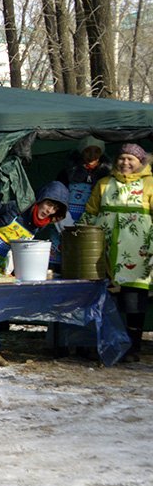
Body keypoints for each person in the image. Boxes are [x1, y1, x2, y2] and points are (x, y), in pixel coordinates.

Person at [0, 182, 71, 365]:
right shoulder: (14, 205)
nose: (49, 210)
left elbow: (16, 249)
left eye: (55, 208)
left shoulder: (38, 226)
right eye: (49, 204)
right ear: (40, 199)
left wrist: (9, 271)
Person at [83, 143, 153, 363]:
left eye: (131, 159)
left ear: (141, 162)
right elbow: (90, 212)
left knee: (134, 301)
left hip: (138, 252)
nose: (125, 162)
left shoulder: (150, 184)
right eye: (122, 158)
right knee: (106, 300)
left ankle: (133, 347)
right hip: (104, 250)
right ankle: (106, 344)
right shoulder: (104, 184)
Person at [58, 135, 111, 223]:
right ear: (81, 152)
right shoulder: (68, 171)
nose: (92, 155)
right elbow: (58, 194)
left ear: (101, 154)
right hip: (68, 217)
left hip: (95, 217)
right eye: (87, 151)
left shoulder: (106, 175)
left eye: (97, 151)